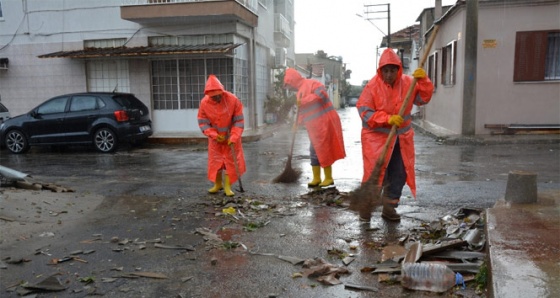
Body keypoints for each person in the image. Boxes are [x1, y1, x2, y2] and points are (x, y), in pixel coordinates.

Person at [356, 48, 434, 221]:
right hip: (376, 139)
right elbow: (364, 112)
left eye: (393, 70)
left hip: (401, 138)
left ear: (398, 69)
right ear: (380, 70)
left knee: (398, 172)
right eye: (386, 70)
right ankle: (366, 206)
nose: (389, 74)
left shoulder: (408, 83)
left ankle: (389, 208)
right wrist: (387, 119)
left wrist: (424, 82)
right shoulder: (372, 86)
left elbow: (422, 99)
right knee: (375, 174)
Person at [283, 68, 346, 187]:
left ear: (293, 81)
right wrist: (297, 123)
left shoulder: (312, 83)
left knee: (323, 149)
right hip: (315, 126)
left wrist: (304, 100)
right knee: (314, 150)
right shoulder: (299, 93)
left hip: (325, 122)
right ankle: (316, 178)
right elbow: (304, 111)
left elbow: (321, 95)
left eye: (289, 85)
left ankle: (328, 178)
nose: (290, 89)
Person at [197, 74, 246, 197]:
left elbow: (239, 121)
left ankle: (228, 187)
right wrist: (213, 134)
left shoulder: (233, 100)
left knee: (230, 162)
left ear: (222, 92)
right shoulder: (204, 103)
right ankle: (217, 185)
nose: (216, 98)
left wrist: (234, 136)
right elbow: (203, 122)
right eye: (213, 97)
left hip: (231, 138)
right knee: (216, 163)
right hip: (216, 140)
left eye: (218, 95)